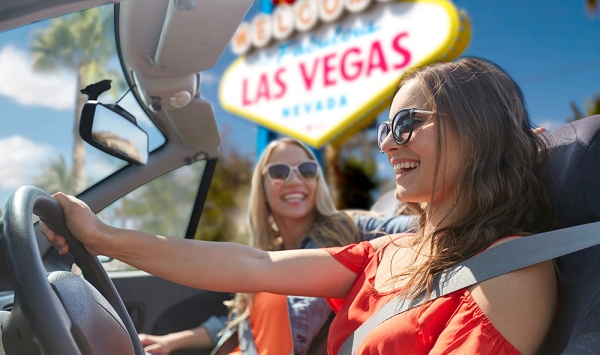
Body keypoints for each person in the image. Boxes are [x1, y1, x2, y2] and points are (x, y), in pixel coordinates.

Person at [42, 57, 558, 354]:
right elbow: (254, 265)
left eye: (406, 124)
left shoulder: (511, 271)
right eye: (384, 129)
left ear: (479, 128)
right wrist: (103, 237)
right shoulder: (386, 251)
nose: (387, 144)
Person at [136, 138, 414, 354]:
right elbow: (237, 321)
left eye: (306, 170)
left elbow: (416, 229)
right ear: (263, 187)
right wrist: (171, 341)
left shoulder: (349, 228)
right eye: (279, 171)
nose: (294, 180)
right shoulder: (261, 254)